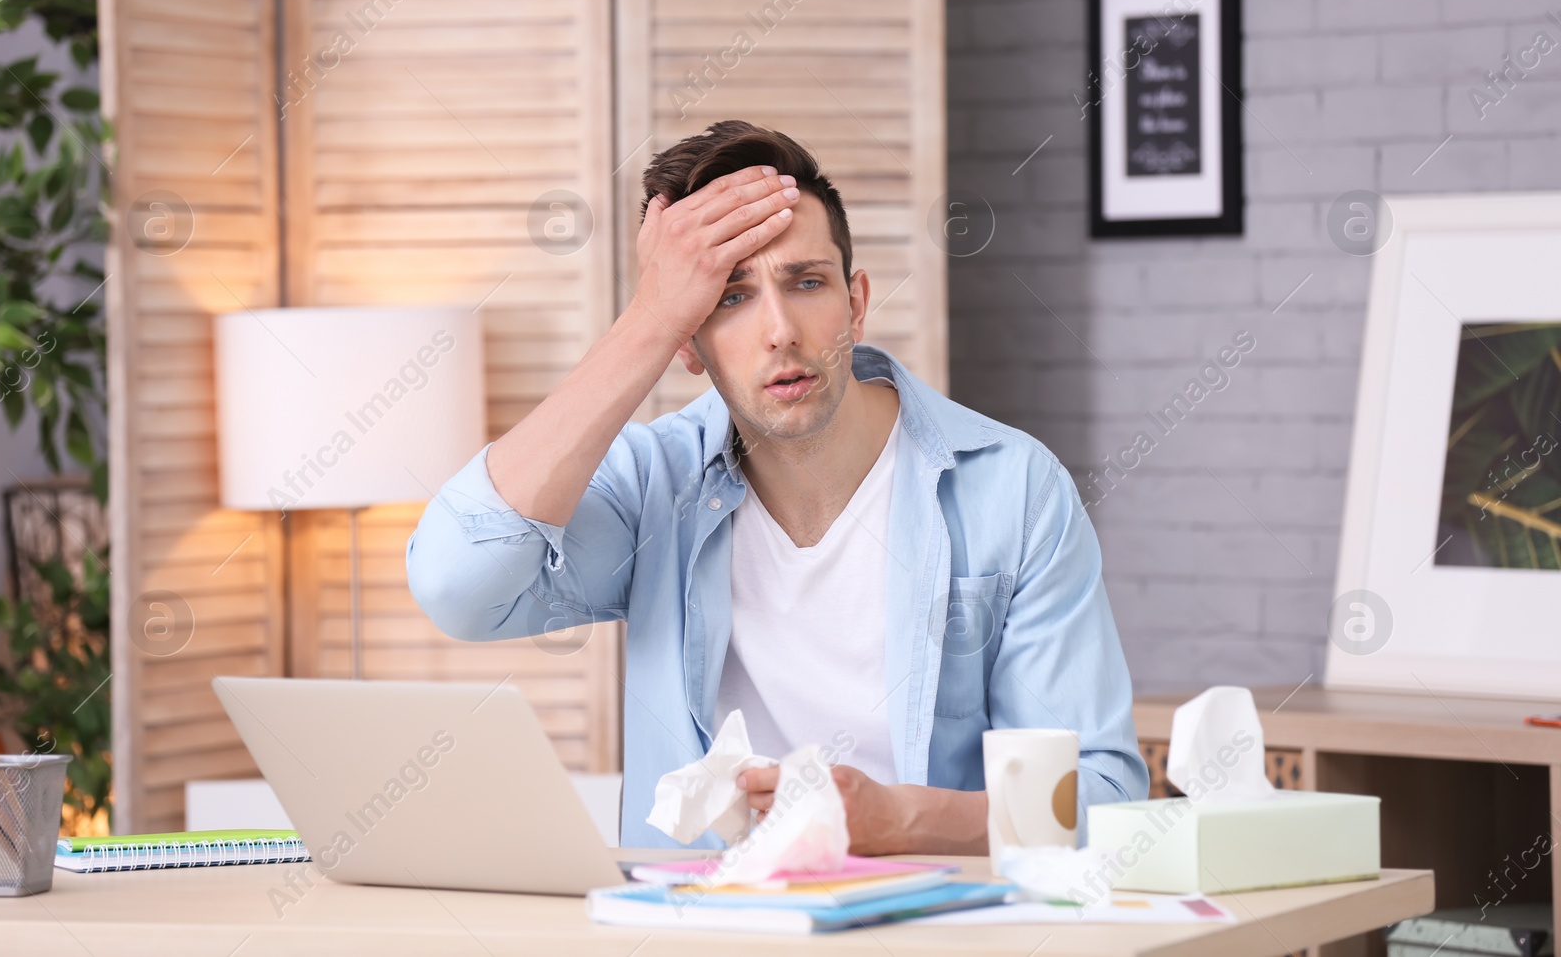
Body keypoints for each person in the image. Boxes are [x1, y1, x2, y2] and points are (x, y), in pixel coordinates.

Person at [407, 120, 1147, 853]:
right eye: (729, 297)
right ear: (688, 347)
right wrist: (651, 318)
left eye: (807, 283)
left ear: (855, 303)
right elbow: (458, 583)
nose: (780, 330)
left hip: (922, 927)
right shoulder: (652, 489)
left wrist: (902, 821)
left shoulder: (1012, 489)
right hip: (699, 930)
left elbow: (1102, 797)